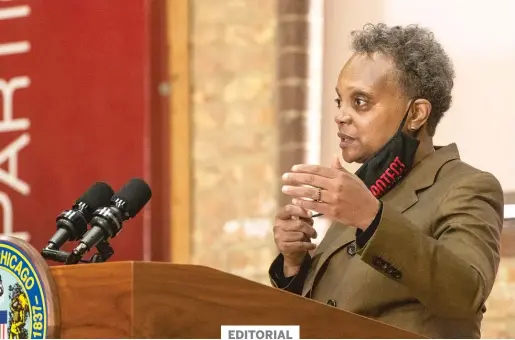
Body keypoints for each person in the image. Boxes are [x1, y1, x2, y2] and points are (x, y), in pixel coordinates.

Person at [269, 23, 504, 339]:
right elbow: (327, 312)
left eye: (361, 102)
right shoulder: (365, 191)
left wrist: (370, 216)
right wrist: (294, 264)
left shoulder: (467, 186)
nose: (341, 116)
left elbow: (466, 294)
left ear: (416, 114)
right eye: (340, 101)